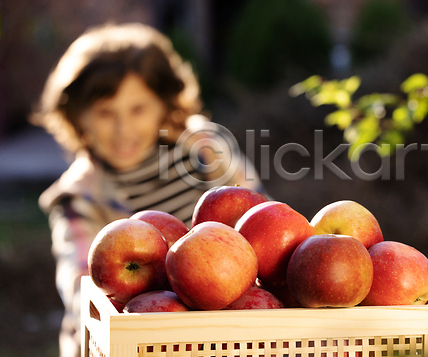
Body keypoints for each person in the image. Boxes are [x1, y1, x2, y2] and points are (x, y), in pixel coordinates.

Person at [33, 23, 263, 357]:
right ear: (78, 117)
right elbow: (84, 288)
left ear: (163, 104)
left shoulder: (205, 151)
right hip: (129, 340)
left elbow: (258, 218)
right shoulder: (79, 197)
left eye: (138, 109)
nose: (123, 129)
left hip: (219, 332)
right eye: (105, 113)